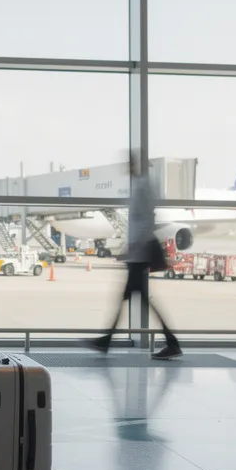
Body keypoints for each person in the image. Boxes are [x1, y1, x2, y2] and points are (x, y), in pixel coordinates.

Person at [86, 151, 182, 360]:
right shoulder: (141, 185)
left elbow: (145, 221)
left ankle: (108, 341)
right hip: (138, 254)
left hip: (139, 255)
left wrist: (132, 249)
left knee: (129, 299)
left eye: (128, 163)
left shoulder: (141, 187)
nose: (126, 167)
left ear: (135, 164)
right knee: (134, 299)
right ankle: (107, 341)